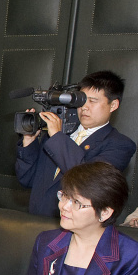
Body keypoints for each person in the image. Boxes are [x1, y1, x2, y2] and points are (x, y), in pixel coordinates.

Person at [0, 162, 138, 275]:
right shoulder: (48, 242)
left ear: (105, 213)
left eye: (76, 202)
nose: (64, 206)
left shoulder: (129, 255)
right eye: (64, 196)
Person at [15, 70, 136, 217]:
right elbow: (27, 180)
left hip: (72, 230)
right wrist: (29, 141)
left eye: (93, 101)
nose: (85, 107)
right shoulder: (60, 133)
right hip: (35, 222)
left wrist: (57, 137)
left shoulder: (120, 145)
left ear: (113, 105)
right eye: (82, 100)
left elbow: (86, 181)